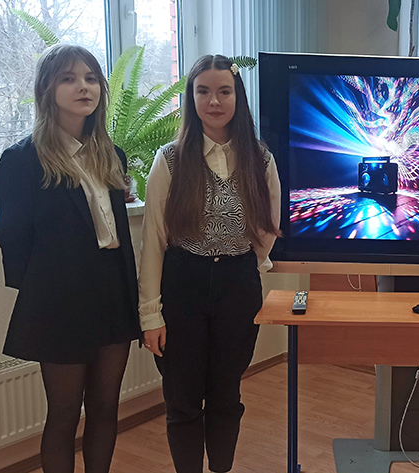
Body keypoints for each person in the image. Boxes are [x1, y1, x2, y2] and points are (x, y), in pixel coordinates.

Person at [0, 43, 141, 473]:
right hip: (59, 302)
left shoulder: (111, 155)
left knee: (106, 407)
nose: (83, 87)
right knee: (63, 414)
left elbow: (113, 231)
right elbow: (12, 240)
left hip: (113, 294)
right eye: (69, 78)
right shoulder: (22, 160)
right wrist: (45, 291)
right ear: (48, 89)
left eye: (91, 78)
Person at [138, 54, 281, 473]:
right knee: (182, 401)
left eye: (224, 91)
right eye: (203, 91)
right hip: (182, 286)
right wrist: (150, 315)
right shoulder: (169, 160)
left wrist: (241, 263)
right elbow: (153, 241)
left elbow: (267, 229)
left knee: (226, 397)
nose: (214, 101)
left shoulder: (260, 158)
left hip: (238, 288)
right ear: (191, 97)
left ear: (238, 97)